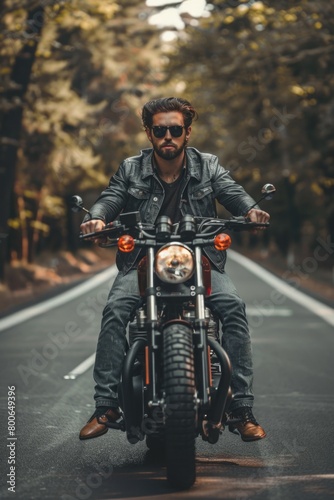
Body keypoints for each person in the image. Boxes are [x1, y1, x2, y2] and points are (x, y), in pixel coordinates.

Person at [79, 97, 269, 442]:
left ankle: (241, 409)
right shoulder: (131, 168)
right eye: (160, 130)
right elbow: (112, 196)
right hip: (144, 259)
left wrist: (251, 210)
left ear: (187, 132)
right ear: (149, 133)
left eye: (175, 130)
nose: (168, 136)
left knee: (234, 309)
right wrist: (96, 217)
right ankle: (106, 404)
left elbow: (232, 191)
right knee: (115, 309)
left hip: (201, 258)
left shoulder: (208, 166)